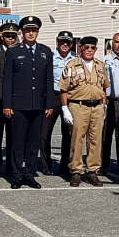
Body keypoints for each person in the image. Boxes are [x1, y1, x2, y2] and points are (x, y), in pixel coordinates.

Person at [4, 16, 55, 189]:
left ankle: (30, 173)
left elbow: (48, 80)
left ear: (38, 32)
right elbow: (8, 80)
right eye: (27, 30)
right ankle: (17, 174)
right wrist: (7, 104)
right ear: (22, 33)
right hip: (19, 104)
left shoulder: (45, 52)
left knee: (34, 142)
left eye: (33, 30)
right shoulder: (13, 52)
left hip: (38, 104)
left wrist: (49, 104)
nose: (31, 33)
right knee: (18, 141)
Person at [59, 36, 110, 187]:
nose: (89, 50)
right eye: (86, 47)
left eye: (92, 48)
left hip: (97, 107)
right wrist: (65, 108)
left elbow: (104, 87)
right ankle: (76, 171)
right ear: (80, 48)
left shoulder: (100, 65)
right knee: (77, 139)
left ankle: (92, 171)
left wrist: (104, 105)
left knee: (95, 140)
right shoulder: (72, 65)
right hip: (78, 106)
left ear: (96, 49)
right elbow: (64, 89)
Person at [41, 30, 75, 175]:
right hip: (53, 97)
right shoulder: (50, 57)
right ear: (57, 42)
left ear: (71, 44)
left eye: (67, 42)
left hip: (69, 98)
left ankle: (65, 165)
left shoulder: (76, 60)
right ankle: (46, 165)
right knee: (45, 132)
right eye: (62, 41)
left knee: (68, 134)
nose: (64, 44)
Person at [0, 21, 19, 178]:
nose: (10, 39)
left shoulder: (20, 53)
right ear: (2, 37)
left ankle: (10, 166)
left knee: (13, 135)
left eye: (13, 36)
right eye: (7, 36)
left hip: (15, 100)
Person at [101, 31, 119, 176]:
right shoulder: (104, 61)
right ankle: (103, 165)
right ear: (112, 43)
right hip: (109, 101)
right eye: (117, 42)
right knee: (105, 135)